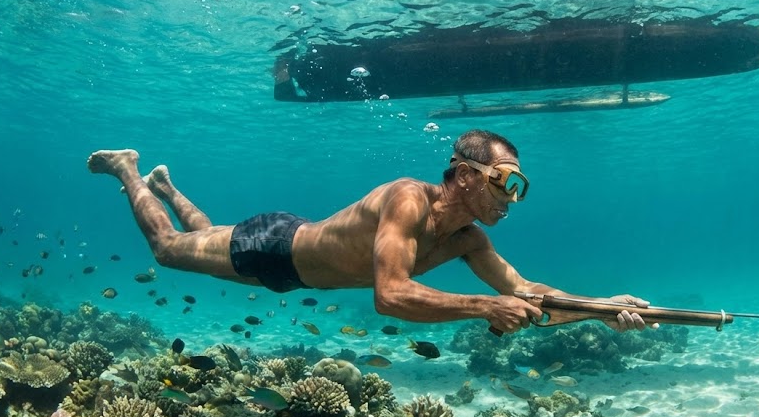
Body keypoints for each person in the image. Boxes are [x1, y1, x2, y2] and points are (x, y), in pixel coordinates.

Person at [87, 129, 651, 335]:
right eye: (506, 182)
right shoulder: (407, 198)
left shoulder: (469, 241)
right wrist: (484, 307)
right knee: (168, 252)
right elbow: (390, 295)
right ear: (461, 175)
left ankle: (167, 185)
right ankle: (130, 168)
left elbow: (526, 294)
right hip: (276, 247)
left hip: (294, 256)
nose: (512, 198)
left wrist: (600, 307)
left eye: (520, 188)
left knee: (204, 241)